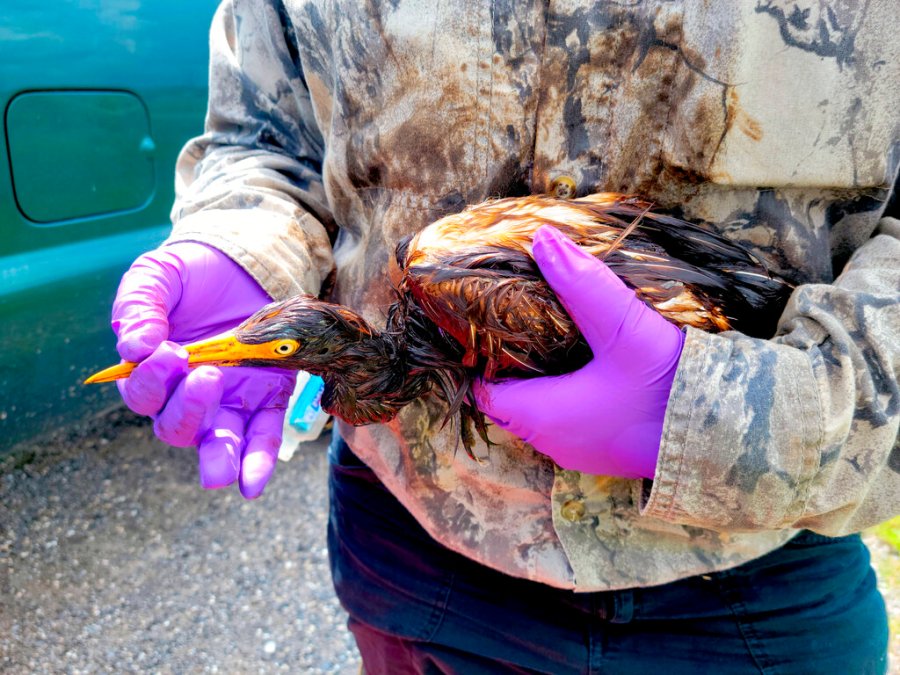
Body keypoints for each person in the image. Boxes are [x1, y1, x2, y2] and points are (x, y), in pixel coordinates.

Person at [109, 1, 899, 672]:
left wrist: (727, 413)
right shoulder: (419, 315)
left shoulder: (451, 291)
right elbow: (271, 139)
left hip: (753, 583)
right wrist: (246, 248)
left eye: (279, 349)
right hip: (413, 561)